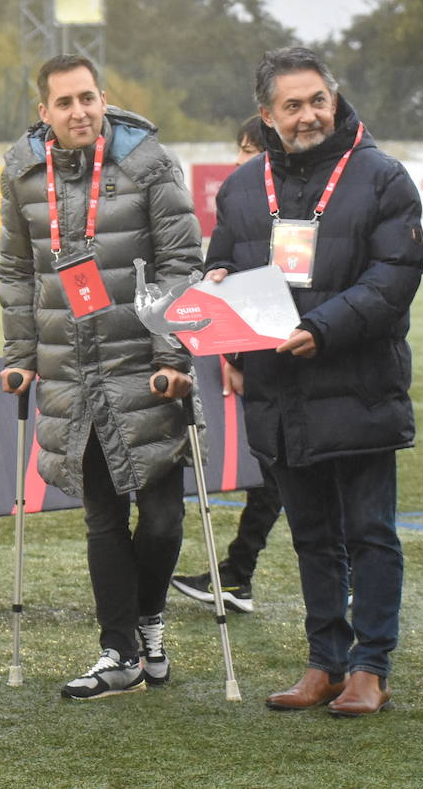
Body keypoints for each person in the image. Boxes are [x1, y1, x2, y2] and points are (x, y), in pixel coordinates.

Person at [206, 46, 422, 717]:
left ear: (336, 97)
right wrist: (213, 300)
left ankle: (370, 668)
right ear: (267, 115)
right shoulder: (243, 188)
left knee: (370, 532)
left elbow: (394, 278)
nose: (308, 116)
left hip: (356, 384)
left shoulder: (383, 177)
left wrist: (322, 327)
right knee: (311, 537)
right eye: (291, 106)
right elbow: (221, 264)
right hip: (279, 392)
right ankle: (325, 662)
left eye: (317, 100)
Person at [0, 54, 201, 700]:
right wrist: (21, 356)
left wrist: (171, 357)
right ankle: (119, 652)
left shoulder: (149, 163)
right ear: (44, 112)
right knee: (103, 521)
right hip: (70, 374)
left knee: (164, 521)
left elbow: (180, 261)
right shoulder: (23, 173)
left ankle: (147, 626)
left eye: (88, 99)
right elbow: (16, 271)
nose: (79, 112)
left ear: (104, 98)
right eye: (65, 103)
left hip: (144, 369)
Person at [170, 116, 278, 614]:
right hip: (262, 358)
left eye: (249, 149)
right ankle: (237, 574)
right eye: (239, 149)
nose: (239, 160)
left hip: (297, 357)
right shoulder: (238, 199)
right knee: (278, 470)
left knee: (290, 472)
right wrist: (233, 355)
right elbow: (221, 274)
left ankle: (238, 574)